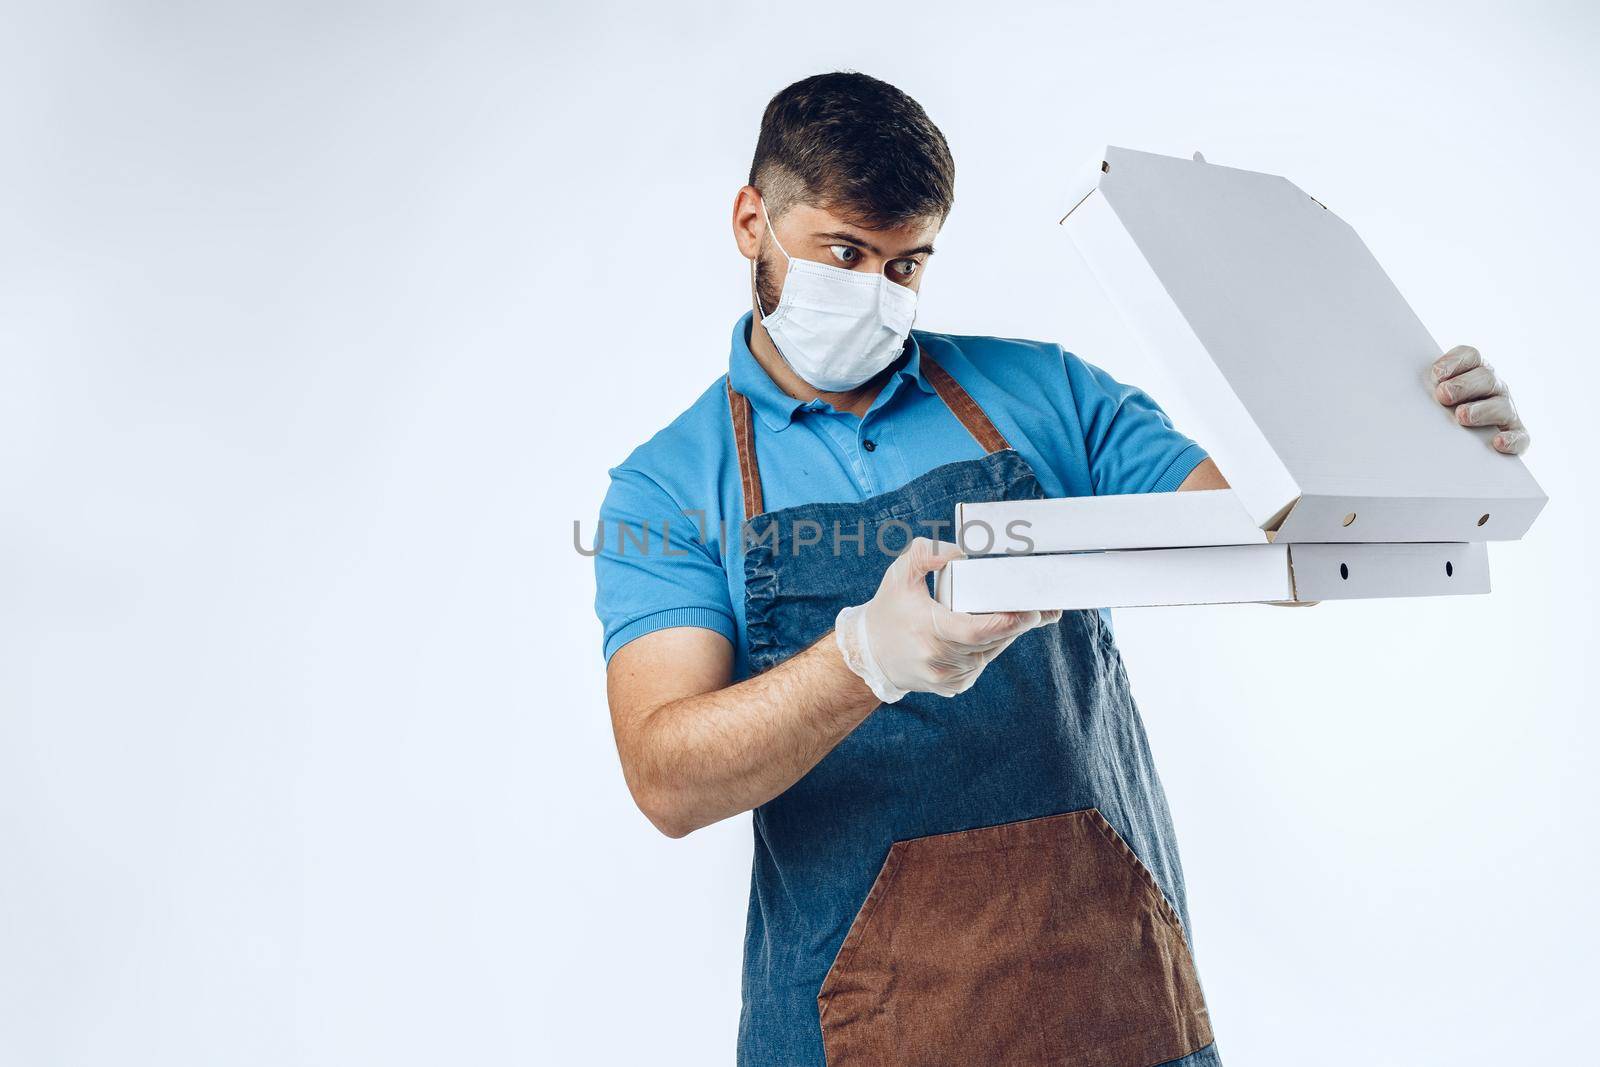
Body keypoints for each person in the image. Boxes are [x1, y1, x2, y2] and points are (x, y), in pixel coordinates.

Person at [592, 72, 1532, 1067]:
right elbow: (667, 779)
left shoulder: (1048, 392)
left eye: (905, 266)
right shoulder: (667, 488)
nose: (873, 294)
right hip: (863, 1020)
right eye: (844, 253)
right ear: (751, 220)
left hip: (1108, 985)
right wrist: (860, 658)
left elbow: (1267, 543)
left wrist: (1409, 432)